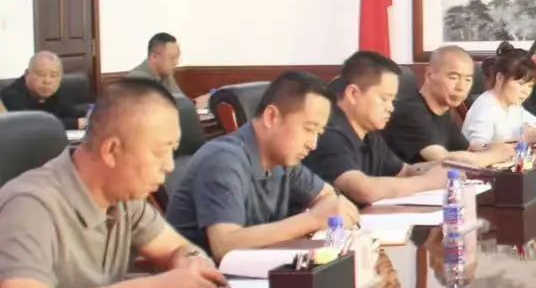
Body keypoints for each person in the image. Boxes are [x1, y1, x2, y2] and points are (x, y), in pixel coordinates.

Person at [0, 79, 228, 288]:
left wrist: (189, 262)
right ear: (111, 151)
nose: (169, 166)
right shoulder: (30, 205)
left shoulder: (124, 199)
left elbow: (178, 248)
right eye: (160, 152)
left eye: (173, 151)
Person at [164, 72, 357, 258]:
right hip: (203, 277)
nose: (313, 144)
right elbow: (224, 245)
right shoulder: (223, 159)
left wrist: (327, 213)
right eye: (308, 129)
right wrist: (313, 220)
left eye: (318, 133)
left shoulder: (284, 160)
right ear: (271, 117)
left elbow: (328, 197)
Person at [304, 51, 447, 206]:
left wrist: (449, 166)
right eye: (384, 99)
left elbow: (405, 171)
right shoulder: (328, 133)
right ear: (353, 94)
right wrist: (428, 182)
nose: (391, 108)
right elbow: (363, 190)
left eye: (392, 100)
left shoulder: (369, 132)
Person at [382, 46, 514, 168]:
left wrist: (499, 147)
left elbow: (467, 150)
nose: (461, 87)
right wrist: (494, 155)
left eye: (468, 80)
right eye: (453, 77)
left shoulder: (444, 111)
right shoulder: (411, 112)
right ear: (429, 75)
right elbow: (445, 161)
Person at [464, 45, 536, 148]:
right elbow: (477, 149)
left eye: (530, 86)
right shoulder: (485, 109)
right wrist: (522, 141)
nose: (526, 91)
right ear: (500, 78)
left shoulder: (513, 106)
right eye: (521, 83)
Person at [124, 32, 210, 108]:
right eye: (172, 58)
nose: (176, 62)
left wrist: (195, 103)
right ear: (154, 57)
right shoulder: (137, 79)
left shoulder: (166, 74)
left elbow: (181, 102)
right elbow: (157, 112)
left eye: (177, 57)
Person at [1, 51, 87, 127]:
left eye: (53, 75)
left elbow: (73, 113)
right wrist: (74, 124)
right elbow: (32, 125)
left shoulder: (57, 92)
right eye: (41, 74)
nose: (47, 81)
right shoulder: (12, 95)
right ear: (27, 74)